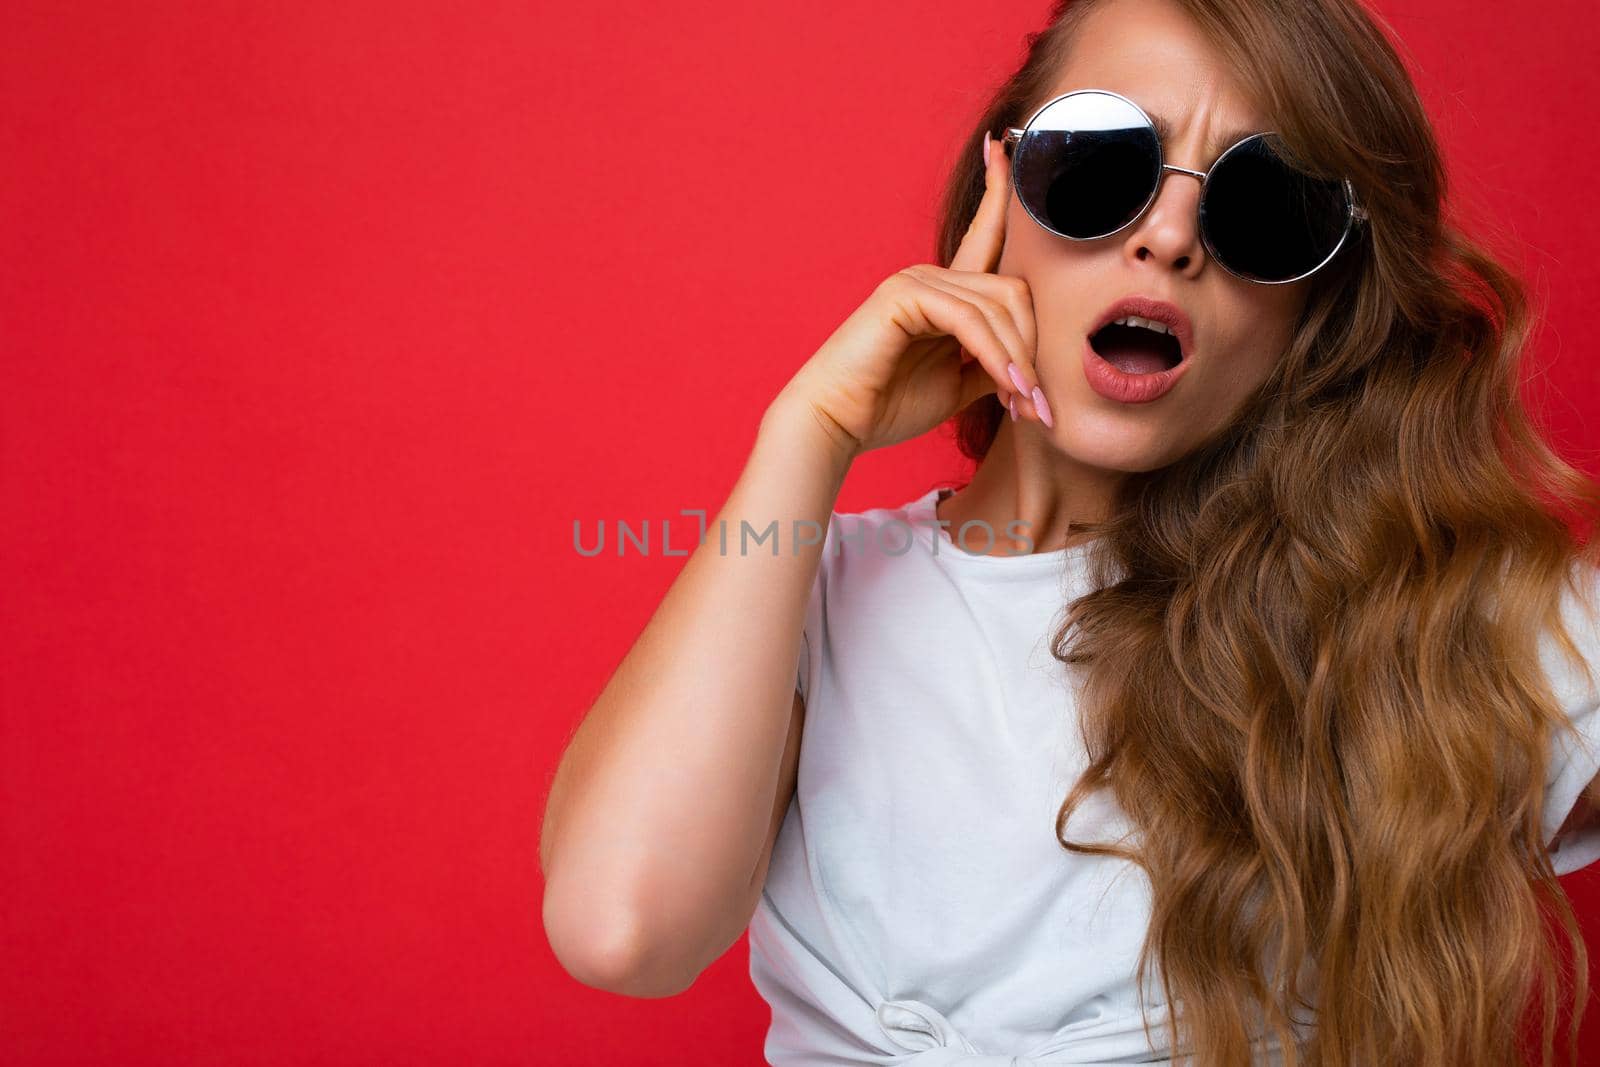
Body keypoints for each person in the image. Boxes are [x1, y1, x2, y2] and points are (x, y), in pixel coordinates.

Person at [539, 0, 1600, 1062]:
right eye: (1099, 161)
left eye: (1268, 202)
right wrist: (808, 432)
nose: (1170, 235)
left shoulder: (1420, 617)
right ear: (1001, 184)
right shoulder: (811, 600)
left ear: (1319, 296)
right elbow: (620, 928)